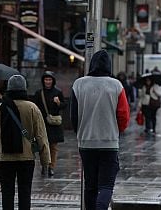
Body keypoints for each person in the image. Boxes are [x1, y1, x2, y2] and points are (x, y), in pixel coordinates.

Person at [71, 50, 130, 210]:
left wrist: (81, 133)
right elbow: (123, 114)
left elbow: (73, 115)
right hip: (109, 143)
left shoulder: (79, 84)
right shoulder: (116, 85)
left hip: (86, 143)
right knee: (106, 185)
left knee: (90, 186)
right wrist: (117, 131)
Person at [0, 75, 51, 210]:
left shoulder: (1, 107)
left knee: (7, 193)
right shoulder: (32, 108)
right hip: (26, 157)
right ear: (24, 88)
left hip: (5, 157)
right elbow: (41, 134)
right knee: (25, 192)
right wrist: (45, 159)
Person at [32, 71, 66, 177]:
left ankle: (51, 166)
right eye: (46, 79)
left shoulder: (58, 92)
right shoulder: (39, 93)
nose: (48, 82)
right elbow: (35, 106)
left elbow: (64, 105)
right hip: (42, 123)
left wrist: (59, 103)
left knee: (53, 147)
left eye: (50, 80)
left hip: (54, 123)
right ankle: (44, 165)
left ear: (53, 81)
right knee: (42, 145)